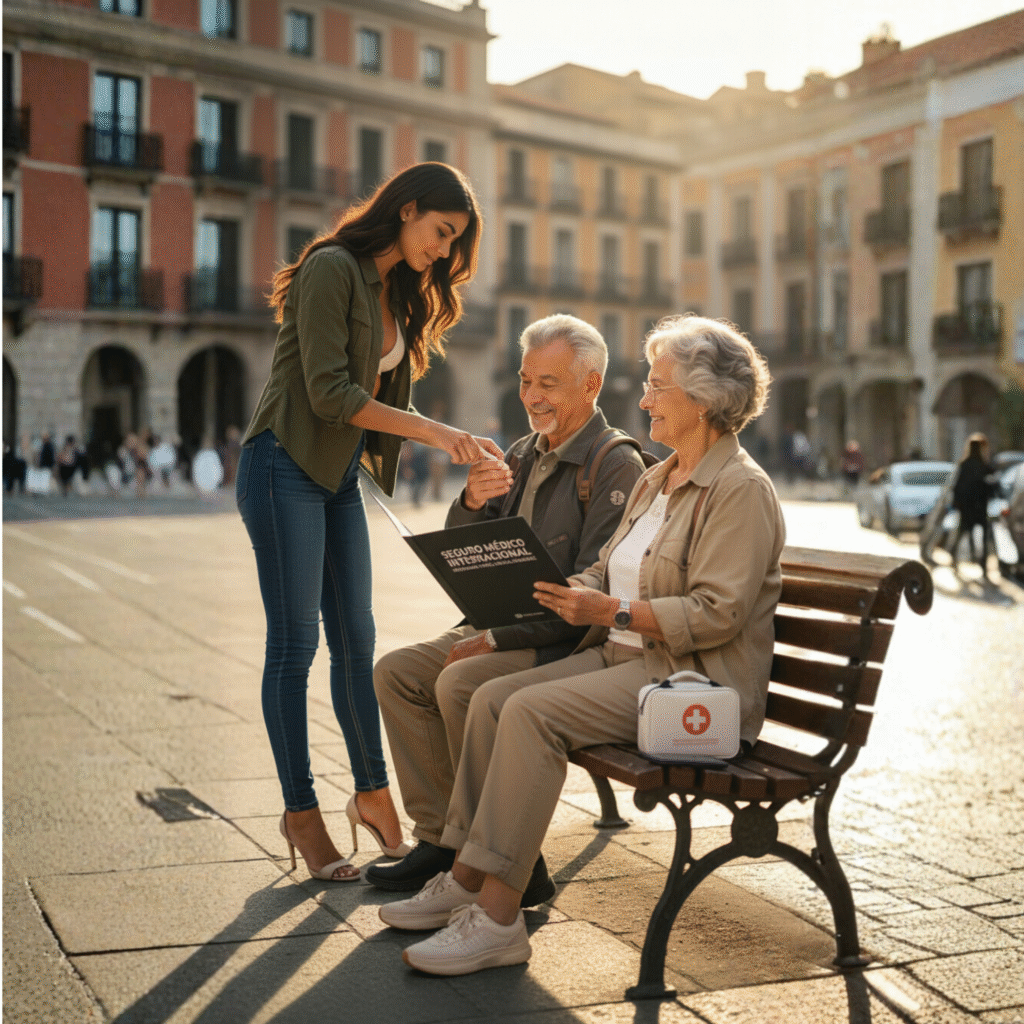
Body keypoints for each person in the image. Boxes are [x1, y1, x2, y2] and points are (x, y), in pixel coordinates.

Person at [378, 314, 785, 976]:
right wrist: (584, 591)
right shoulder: (662, 479)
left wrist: (609, 607)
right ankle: (470, 874)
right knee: (490, 698)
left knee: (528, 712)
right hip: (626, 659)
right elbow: (607, 566)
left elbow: (719, 611)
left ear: (704, 399)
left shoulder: (739, 488)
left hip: (689, 683)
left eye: (657, 387)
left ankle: (500, 918)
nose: (644, 398)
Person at [237, 162, 501, 884]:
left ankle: (373, 793)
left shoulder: (400, 293)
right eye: (441, 233)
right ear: (407, 208)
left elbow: (365, 403)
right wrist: (438, 433)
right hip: (283, 462)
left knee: (358, 639)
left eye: (453, 244)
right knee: (295, 645)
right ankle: (300, 812)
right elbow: (328, 393)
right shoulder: (332, 268)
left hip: (335, 476)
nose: (443, 252)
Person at [368, 314, 646, 898]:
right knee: (396, 673)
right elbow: (468, 546)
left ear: (591, 385)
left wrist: (497, 638)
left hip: (559, 640)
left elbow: (592, 587)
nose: (531, 396)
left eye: (548, 383)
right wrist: (470, 500)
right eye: (525, 380)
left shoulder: (615, 463)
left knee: (461, 681)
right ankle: (443, 841)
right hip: (498, 620)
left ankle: (501, 855)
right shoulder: (521, 452)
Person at [949, 432, 996, 577]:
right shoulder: (983, 465)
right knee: (984, 536)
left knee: (962, 532)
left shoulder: (965, 464)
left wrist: (957, 504)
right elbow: (991, 484)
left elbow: (957, 486)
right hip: (980, 507)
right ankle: (983, 567)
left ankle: (954, 559)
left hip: (967, 507)